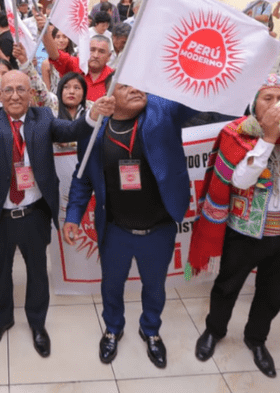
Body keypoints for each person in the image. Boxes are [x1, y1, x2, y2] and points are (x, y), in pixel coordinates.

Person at [0, 71, 114, 358]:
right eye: (8, 90)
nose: (14, 96)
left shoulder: (43, 117)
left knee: (37, 273)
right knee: (0, 272)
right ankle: (2, 320)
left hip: (34, 213)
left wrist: (93, 115)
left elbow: (72, 131)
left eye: (20, 89)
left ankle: (37, 324)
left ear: (30, 93)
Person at [187, 74, 280, 378]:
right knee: (227, 285)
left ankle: (256, 339)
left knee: (273, 293)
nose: (277, 106)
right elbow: (239, 179)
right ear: (255, 104)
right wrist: (267, 138)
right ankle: (214, 331)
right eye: (269, 98)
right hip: (244, 231)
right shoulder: (237, 133)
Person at [64, 74, 197, 367]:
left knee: (155, 286)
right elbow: (82, 178)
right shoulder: (95, 130)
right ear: (111, 95)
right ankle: (113, 328)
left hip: (158, 228)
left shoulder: (162, 111)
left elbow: (199, 101)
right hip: (115, 230)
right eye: (126, 85)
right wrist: (73, 215)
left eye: (140, 82)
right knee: (111, 286)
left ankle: (151, 330)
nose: (137, 88)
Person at [44, 28, 113, 101]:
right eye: (92, 50)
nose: (95, 55)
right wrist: (44, 29)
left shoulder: (113, 79)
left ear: (109, 56)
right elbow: (55, 55)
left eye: (101, 52)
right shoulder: (75, 64)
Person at [41, 28, 75, 93]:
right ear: (53, 39)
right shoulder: (46, 64)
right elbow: (47, 90)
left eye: (65, 37)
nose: (61, 40)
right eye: (57, 37)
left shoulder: (74, 60)